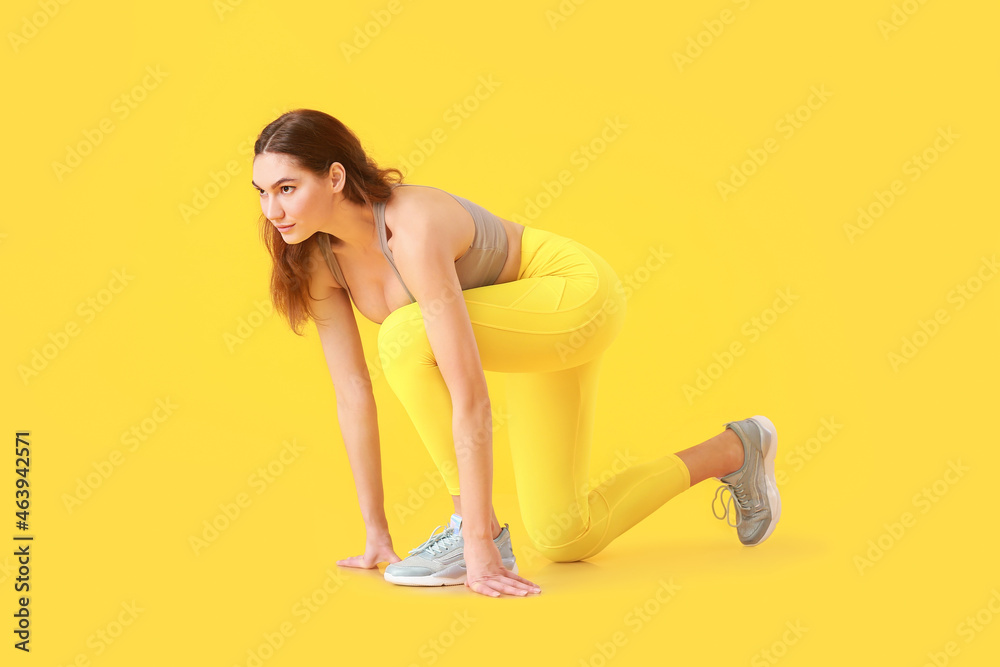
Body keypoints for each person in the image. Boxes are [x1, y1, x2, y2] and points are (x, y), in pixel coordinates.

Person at [250, 109, 782, 599]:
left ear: (335, 177)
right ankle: (736, 451)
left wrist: (480, 541)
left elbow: (469, 392)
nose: (272, 209)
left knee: (404, 336)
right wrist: (376, 534)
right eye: (262, 192)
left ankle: (473, 530)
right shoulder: (316, 259)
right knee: (566, 536)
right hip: (520, 326)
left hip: (572, 294)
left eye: (287, 188)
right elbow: (351, 392)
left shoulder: (412, 229)